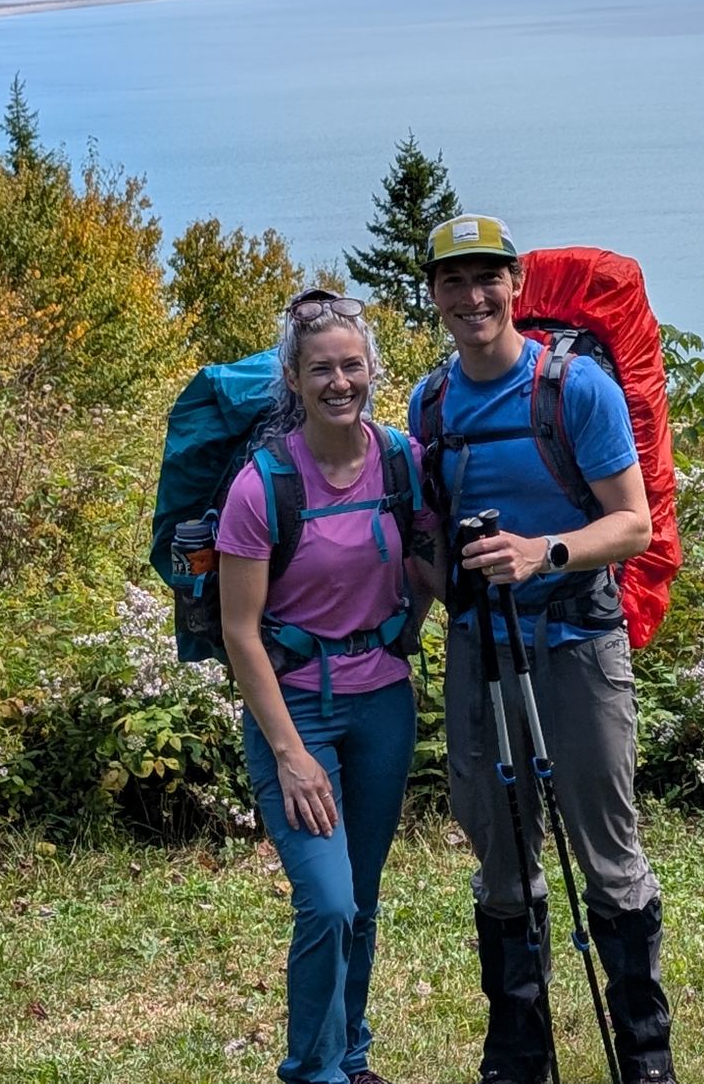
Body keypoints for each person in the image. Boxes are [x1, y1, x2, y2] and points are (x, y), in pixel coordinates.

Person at [412, 213, 678, 1084]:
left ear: (516, 286)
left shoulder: (576, 390)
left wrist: (543, 552)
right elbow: (427, 536)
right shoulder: (430, 404)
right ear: (435, 297)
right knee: (499, 849)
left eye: (487, 278)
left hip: (575, 638)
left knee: (607, 846)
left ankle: (643, 1055)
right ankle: (517, 1053)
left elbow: (633, 524)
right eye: (454, 282)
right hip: (478, 642)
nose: (473, 296)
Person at [217, 288, 434, 1084]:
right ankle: (314, 1072)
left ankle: (352, 1057)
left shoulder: (401, 460)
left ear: (372, 367)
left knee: (362, 899)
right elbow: (241, 631)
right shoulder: (263, 485)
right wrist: (290, 753)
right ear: (294, 379)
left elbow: (424, 566)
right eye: (321, 370)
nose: (340, 382)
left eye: (351, 365)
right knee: (328, 902)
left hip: (384, 704)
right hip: (296, 708)